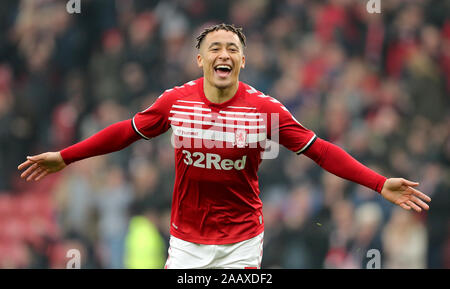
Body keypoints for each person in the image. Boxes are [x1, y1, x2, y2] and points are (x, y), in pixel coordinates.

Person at [18, 23, 431, 269]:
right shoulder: (175, 102)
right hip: (186, 242)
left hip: (242, 241)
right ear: (200, 60)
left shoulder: (264, 109)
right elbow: (125, 132)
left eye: (232, 48)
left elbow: (320, 150)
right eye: (214, 47)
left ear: (242, 62)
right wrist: (65, 156)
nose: (224, 53)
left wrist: (379, 184)